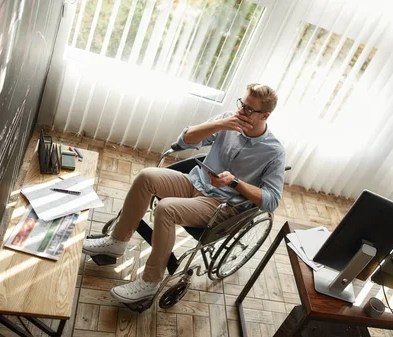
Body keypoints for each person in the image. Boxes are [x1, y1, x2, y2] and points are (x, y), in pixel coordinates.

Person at [82, 83, 286, 303]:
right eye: (241, 104)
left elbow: (272, 200)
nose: (240, 111)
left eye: (248, 109)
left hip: (220, 204)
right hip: (195, 181)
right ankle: (117, 242)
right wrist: (219, 124)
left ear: (265, 115)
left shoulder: (274, 152)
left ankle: (150, 282)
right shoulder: (228, 120)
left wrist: (235, 182)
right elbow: (184, 140)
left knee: (166, 209)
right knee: (146, 176)